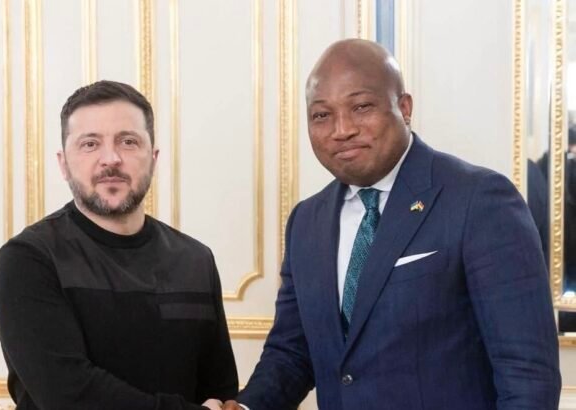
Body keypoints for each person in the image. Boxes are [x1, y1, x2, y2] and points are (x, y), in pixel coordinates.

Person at [224, 39, 561, 410]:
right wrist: (245, 407)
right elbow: (292, 353)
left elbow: (527, 376)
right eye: (322, 115)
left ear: (404, 107)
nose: (342, 129)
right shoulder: (307, 221)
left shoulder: (479, 201)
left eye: (361, 107)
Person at [0, 80, 237, 410]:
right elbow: (68, 396)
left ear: (153, 158)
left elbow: (220, 390)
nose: (111, 158)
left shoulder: (195, 259)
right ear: (63, 164)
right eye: (90, 144)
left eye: (128, 141)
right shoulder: (28, 260)